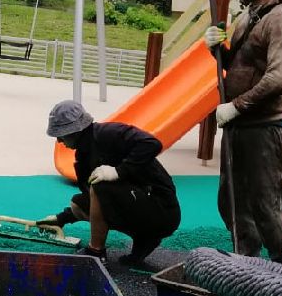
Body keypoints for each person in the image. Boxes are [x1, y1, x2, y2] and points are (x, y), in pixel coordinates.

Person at [202, 0, 282, 265]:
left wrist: (236, 106)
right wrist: (219, 50)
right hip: (240, 126)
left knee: (266, 205)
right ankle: (247, 259)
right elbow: (240, 67)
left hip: (267, 128)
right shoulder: (250, 15)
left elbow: (280, 77)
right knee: (230, 201)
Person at [41, 100, 181, 268]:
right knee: (79, 203)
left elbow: (152, 144)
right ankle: (144, 239)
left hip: (163, 208)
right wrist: (60, 219)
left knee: (100, 184)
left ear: (75, 130)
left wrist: (118, 171)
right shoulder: (83, 159)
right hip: (140, 203)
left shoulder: (108, 133)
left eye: (61, 135)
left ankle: (96, 252)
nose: (59, 140)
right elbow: (94, 203)